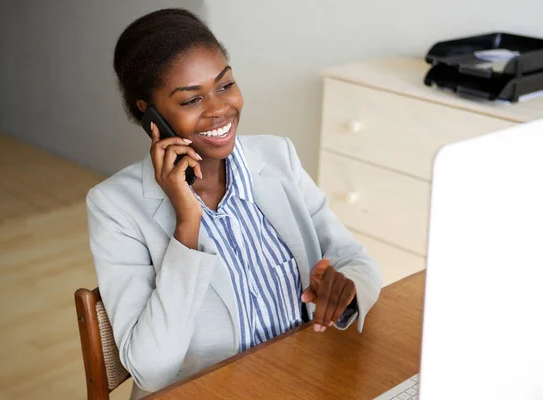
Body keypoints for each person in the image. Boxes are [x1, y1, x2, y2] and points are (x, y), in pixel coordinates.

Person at [86, 8, 383, 399]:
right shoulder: (115, 206)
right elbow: (151, 369)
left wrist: (344, 294)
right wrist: (187, 224)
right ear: (150, 114)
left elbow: (356, 262)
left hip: (303, 381)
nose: (219, 109)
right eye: (191, 100)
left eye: (225, 86)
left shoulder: (278, 157)